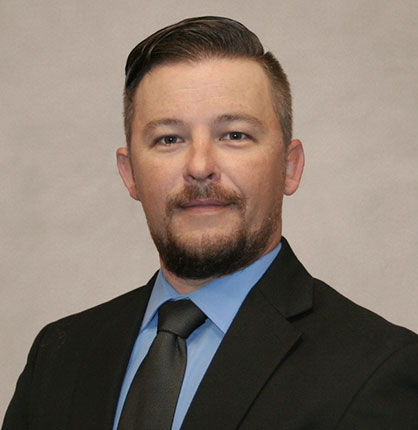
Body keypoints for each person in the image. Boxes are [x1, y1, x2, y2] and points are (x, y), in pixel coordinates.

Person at [3, 16, 418, 430]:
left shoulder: (380, 370)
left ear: (289, 168)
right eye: (169, 139)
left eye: (234, 135)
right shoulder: (58, 355)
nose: (200, 166)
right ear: (130, 174)